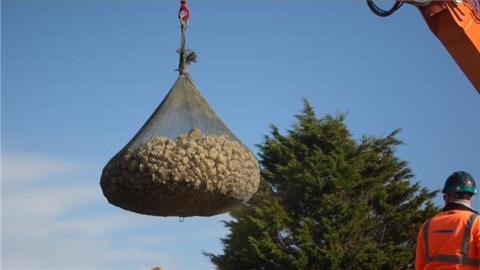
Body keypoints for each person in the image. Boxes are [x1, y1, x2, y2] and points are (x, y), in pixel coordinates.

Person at [416, 171, 480, 269]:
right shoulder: (477, 222)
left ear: (447, 196)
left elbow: (419, 266)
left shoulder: (427, 225)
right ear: (470, 197)